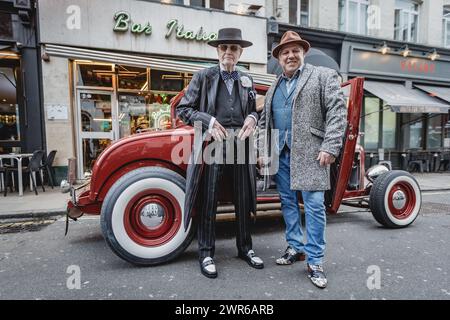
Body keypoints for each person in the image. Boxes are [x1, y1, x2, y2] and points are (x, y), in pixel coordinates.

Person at [258, 31, 347, 288]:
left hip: (313, 154)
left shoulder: (321, 75)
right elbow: (265, 122)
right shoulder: (274, 85)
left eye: (295, 50)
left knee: (315, 206)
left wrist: (331, 145)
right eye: (285, 52)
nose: (290, 55)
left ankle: (315, 259)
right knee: (287, 202)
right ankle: (295, 247)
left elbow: (337, 111)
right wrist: (263, 151)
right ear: (279, 58)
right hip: (282, 154)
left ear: (303, 53)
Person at [177, 28, 263, 279]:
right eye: (224, 47)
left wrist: (252, 117)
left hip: (241, 144)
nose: (228, 52)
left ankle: (245, 248)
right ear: (217, 50)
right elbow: (184, 109)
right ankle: (205, 253)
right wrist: (209, 121)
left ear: (240, 52)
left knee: (243, 197)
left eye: (233, 48)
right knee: (209, 197)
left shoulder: (246, 79)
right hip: (211, 144)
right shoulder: (203, 76)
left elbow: (255, 110)